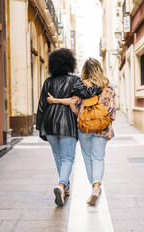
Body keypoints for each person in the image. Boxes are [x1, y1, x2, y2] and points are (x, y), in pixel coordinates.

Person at [47, 58, 116, 206]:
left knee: (87, 158)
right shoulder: (108, 87)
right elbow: (112, 110)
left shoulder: (82, 86)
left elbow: (74, 105)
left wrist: (58, 102)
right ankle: (96, 186)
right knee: (98, 158)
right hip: (102, 130)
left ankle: (93, 185)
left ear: (85, 70)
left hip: (84, 129)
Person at [36, 49, 101, 207]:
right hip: (67, 126)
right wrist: (97, 88)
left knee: (59, 157)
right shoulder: (74, 80)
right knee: (68, 158)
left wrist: (41, 129)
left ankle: (64, 187)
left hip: (50, 125)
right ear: (69, 63)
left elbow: (41, 107)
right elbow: (85, 92)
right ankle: (62, 185)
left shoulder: (48, 82)